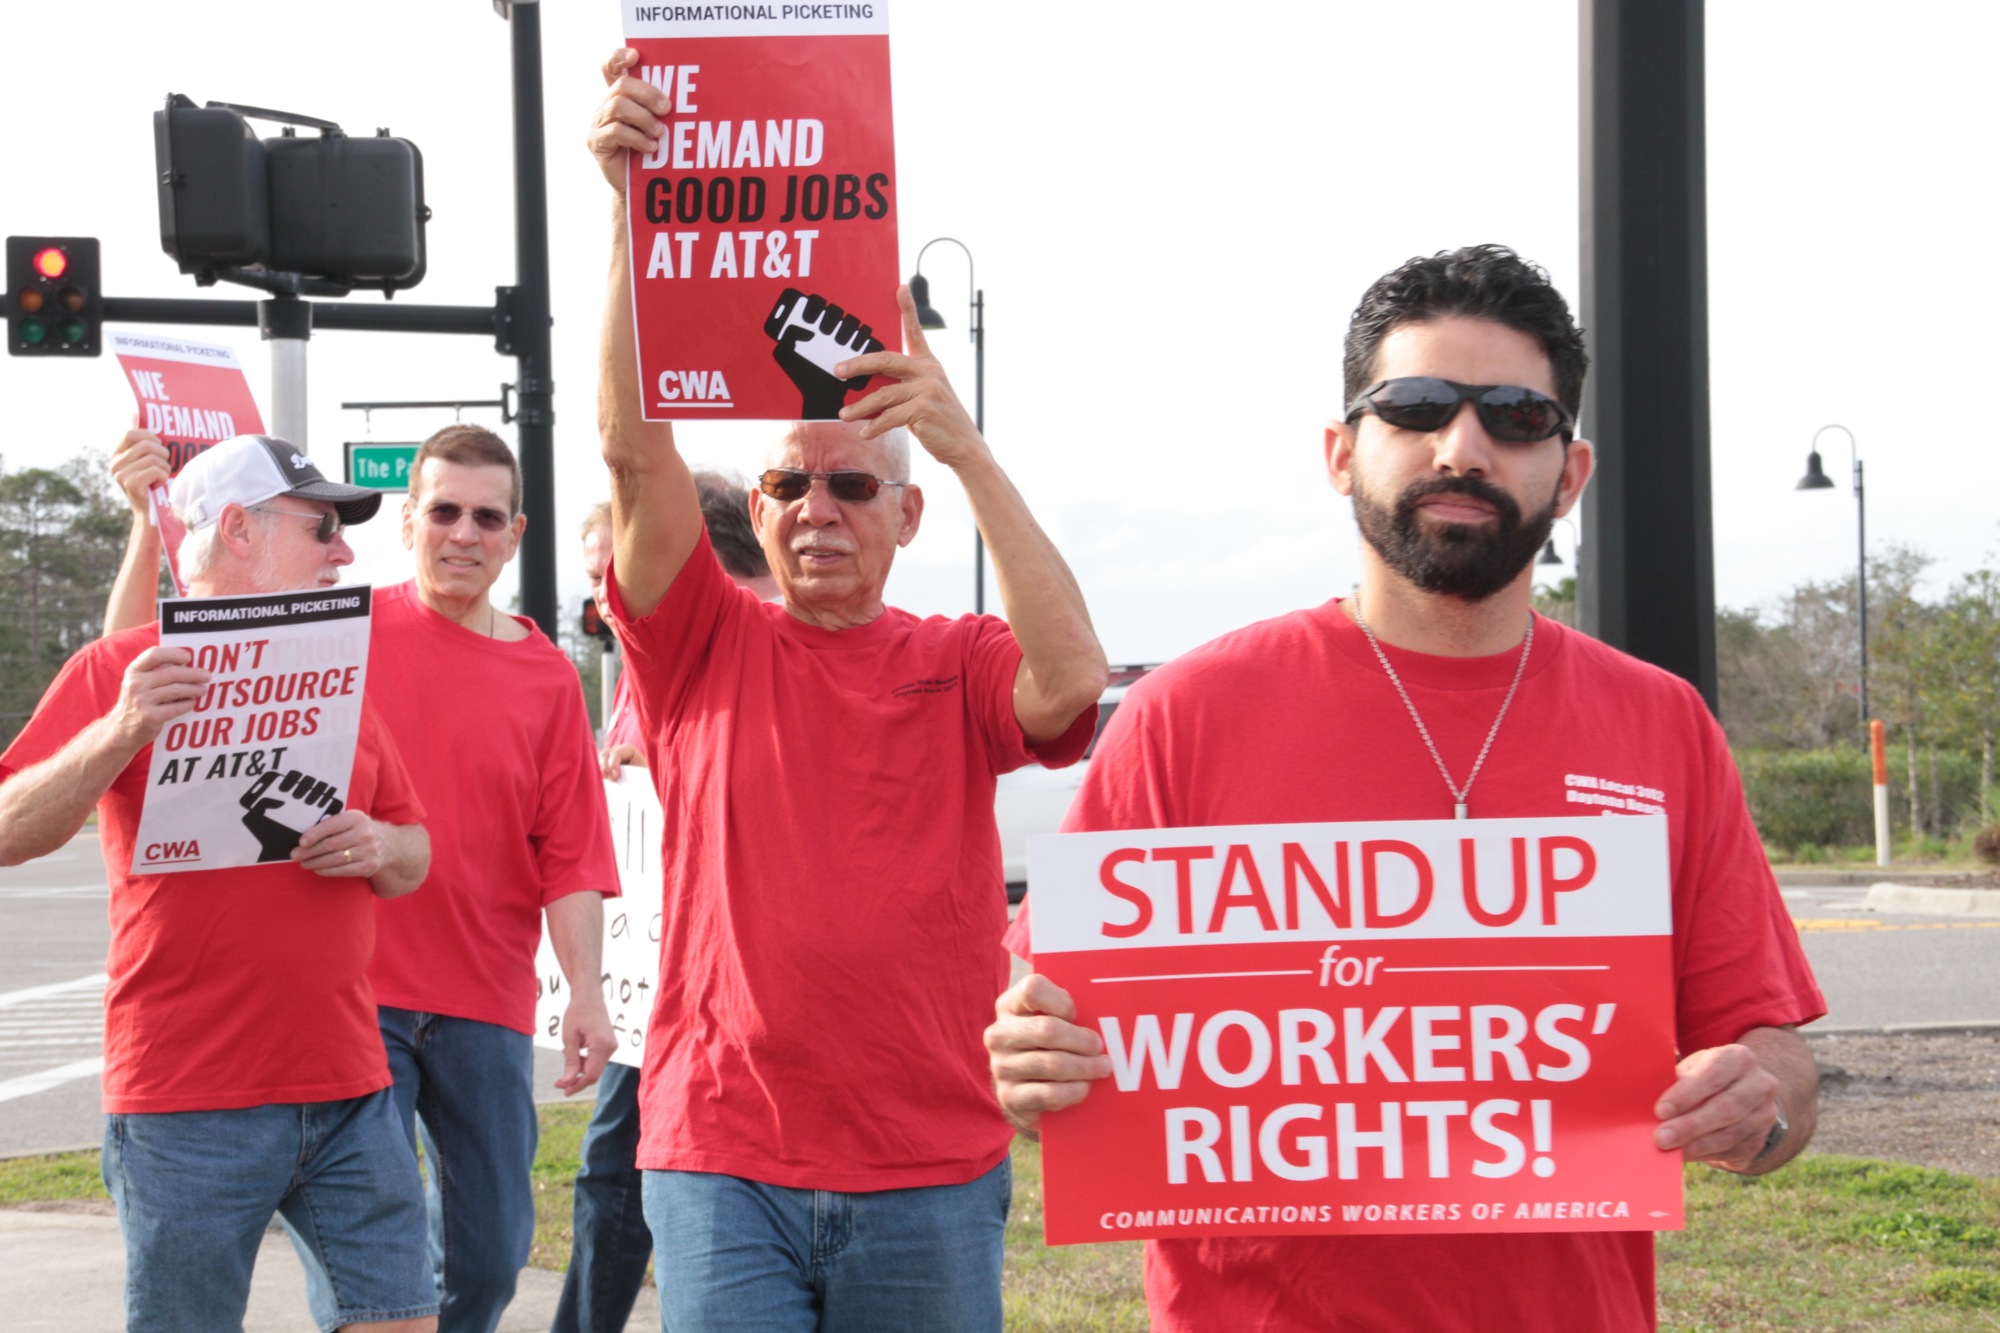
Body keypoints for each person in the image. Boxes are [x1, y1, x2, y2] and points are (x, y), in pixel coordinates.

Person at [984, 245, 1826, 1332]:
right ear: (1340, 453)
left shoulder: (1659, 724)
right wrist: (1028, 1073)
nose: (1461, 446)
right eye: (1415, 405)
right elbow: (1036, 1061)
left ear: (1568, 473)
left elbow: (1774, 1065)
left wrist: (1757, 1108)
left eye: (1517, 416)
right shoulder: (1182, 718)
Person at [589, 48, 1109, 1331]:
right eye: (786, 486)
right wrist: (630, 218)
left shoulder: (960, 655)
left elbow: (1073, 679)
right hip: (721, 1154)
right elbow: (631, 452)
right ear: (756, 510)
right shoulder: (697, 638)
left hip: (929, 1158)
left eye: (853, 485)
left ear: (905, 512)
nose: (817, 510)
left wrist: (959, 435)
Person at [100, 424, 623, 1333]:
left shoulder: (546, 673)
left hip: (486, 999)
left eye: (487, 516)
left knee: (493, 1253)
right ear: (411, 521)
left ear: (516, 533)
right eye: (445, 511)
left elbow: (571, 848)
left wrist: (585, 991)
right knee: (375, 1272)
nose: (465, 532)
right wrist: (148, 525)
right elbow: (139, 674)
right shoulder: (330, 624)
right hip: (358, 1004)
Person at [0, 434, 438, 1333]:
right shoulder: (121, 667)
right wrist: (119, 729)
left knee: (401, 1318)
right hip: (187, 1095)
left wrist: (379, 844)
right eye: (321, 527)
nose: (344, 551)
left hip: (350, 1084)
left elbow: (416, 854)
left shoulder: (336, 678)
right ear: (238, 529)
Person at [554, 475, 778, 1333]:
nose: (608, 602)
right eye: (596, 585)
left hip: (717, 963)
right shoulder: (642, 656)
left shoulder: (745, 631)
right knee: (614, 1165)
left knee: (620, 1167)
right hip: (662, 963)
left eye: (616, 575)